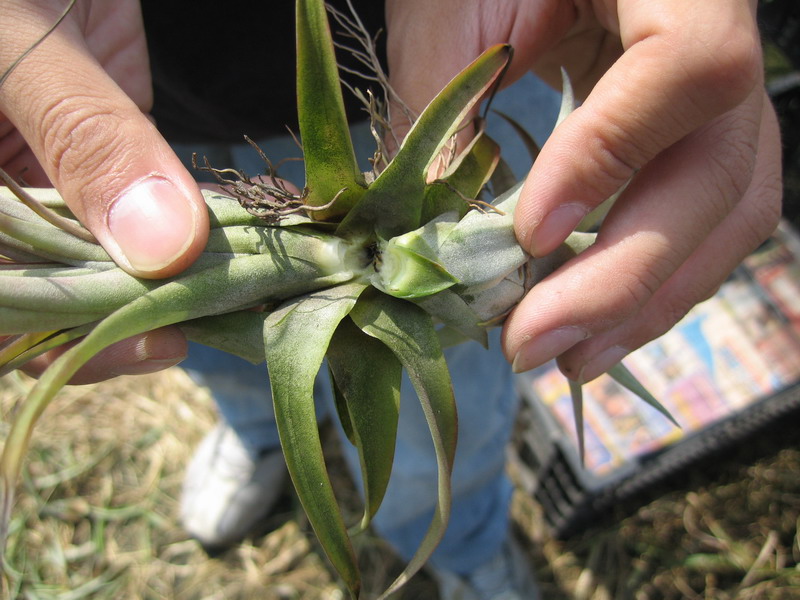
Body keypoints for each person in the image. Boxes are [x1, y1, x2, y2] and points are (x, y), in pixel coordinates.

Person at [0, 1, 782, 598]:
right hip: (151, 101)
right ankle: (256, 436)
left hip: (451, 67)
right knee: (205, 341)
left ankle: (464, 548)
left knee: (452, 415)